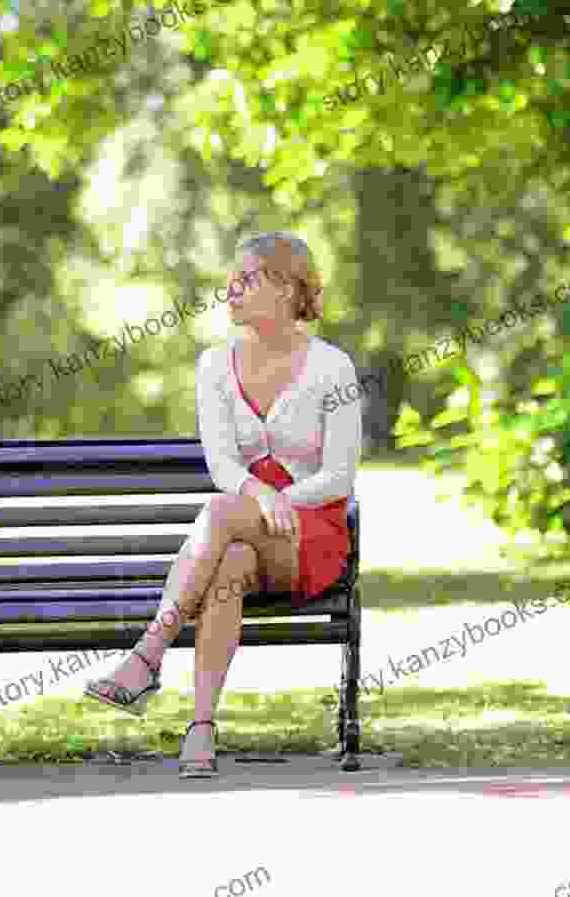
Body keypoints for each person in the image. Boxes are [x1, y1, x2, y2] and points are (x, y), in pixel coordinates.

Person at [84, 231, 362, 777]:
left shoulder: (333, 368)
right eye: (231, 278)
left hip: (309, 536)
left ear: (285, 288)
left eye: (247, 279)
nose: (230, 290)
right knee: (229, 560)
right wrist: (259, 495)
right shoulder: (214, 364)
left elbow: (339, 475)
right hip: (243, 531)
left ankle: (148, 655)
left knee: (217, 513)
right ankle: (201, 729)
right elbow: (223, 465)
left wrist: (280, 499)